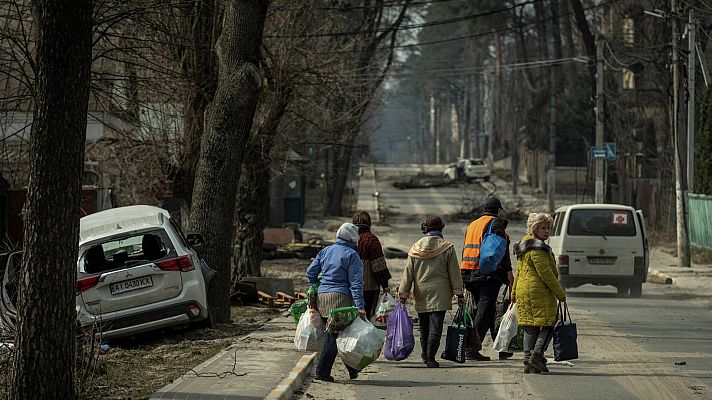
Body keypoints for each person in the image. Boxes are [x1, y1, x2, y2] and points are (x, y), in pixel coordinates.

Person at [399, 216, 465, 368]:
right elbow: (454, 272)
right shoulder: (447, 247)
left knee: (424, 327)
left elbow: (408, 273)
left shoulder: (415, 247)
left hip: (421, 292)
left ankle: (424, 354)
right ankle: (430, 357)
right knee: (436, 327)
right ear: (441, 228)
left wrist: (403, 294)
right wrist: (459, 293)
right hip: (440, 293)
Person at [306, 223, 366, 382]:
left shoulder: (325, 250)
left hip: (323, 297)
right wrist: (360, 306)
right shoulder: (352, 255)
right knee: (335, 336)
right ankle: (322, 372)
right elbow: (356, 283)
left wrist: (315, 284)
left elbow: (310, 271)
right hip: (340, 299)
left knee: (337, 334)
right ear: (354, 238)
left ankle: (352, 369)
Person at [512, 213, 567, 374]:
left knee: (531, 325)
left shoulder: (524, 245)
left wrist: (514, 292)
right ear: (534, 228)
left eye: (548, 228)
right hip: (538, 291)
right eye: (543, 228)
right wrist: (560, 293)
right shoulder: (538, 248)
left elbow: (519, 272)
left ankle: (529, 360)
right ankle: (536, 355)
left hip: (524, 290)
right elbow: (546, 273)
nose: (546, 231)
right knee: (549, 324)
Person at [460, 196, 514, 361]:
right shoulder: (495, 223)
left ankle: (501, 348)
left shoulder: (473, 224)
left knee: (487, 309)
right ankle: (471, 348)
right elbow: (500, 249)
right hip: (486, 273)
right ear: (498, 210)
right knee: (484, 309)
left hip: (468, 272)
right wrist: (509, 271)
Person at [352, 211, 392, 320]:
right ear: (369, 223)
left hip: (350, 287)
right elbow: (378, 265)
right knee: (367, 317)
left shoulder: (349, 239)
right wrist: (385, 285)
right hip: (369, 288)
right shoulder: (371, 240)